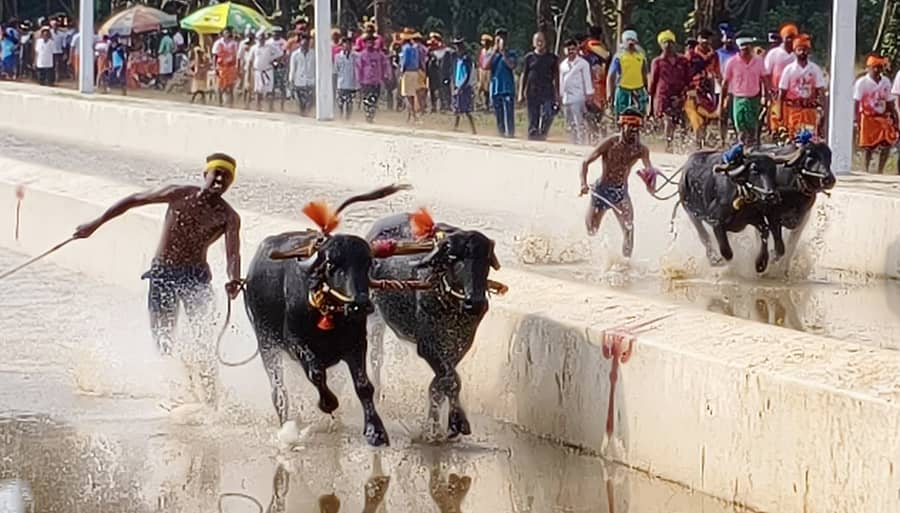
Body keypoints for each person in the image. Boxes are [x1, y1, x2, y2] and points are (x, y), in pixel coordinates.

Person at [72, 154, 244, 407]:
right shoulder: (178, 194)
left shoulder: (228, 217)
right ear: (204, 175)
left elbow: (233, 254)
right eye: (216, 173)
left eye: (226, 177)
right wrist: (95, 224)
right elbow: (132, 201)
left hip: (195, 277)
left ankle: (211, 402)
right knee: (163, 338)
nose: (220, 179)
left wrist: (234, 278)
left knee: (203, 338)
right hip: (163, 273)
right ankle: (178, 393)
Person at [579, 108, 657, 259]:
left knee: (629, 228)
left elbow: (649, 171)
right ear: (622, 125)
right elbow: (585, 162)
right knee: (592, 230)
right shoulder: (610, 143)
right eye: (631, 127)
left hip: (620, 193)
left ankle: (626, 262)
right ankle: (591, 257)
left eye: (637, 128)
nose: (634, 131)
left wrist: (651, 185)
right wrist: (583, 184)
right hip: (601, 191)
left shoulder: (641, 150)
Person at [721, 35, 767, 145]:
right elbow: (725, 83)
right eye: (743, 49)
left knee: (753, 126)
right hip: (738, 98)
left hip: (754, 98)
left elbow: (764, 79)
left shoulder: (759, 61)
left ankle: (753, 146)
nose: (746, 51)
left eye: (748, 48)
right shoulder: (732, 62)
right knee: (740, 125)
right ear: (739, 49)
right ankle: (741, 146)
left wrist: (766, 96)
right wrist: (723, 100)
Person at [855, 54, 898, 174]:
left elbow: (890, 102)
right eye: (874, 67)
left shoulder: (886, 82)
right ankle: (865, 170)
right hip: (867, 118)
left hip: (882, 118)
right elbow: (856, 103)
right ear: (868, 68)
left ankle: (880, 170)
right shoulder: (862, 83)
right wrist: (856, 120)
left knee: (887, 143)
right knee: (868, 146)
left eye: (879, 67)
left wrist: (894, 118)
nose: (876, 70)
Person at [777, 34, 825, 139]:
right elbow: (782, 93)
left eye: (805, 49)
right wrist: (779, 114)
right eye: (799, 49)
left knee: (810, 139)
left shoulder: (815, 69)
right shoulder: (789, 70)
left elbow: (820, 90)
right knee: (794, 138)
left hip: (809, 111)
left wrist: (823, 111)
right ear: (794, 51)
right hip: (794, 110)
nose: (802, 52)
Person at [649, 30, 690, 152]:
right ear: (660, 45)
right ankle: (669, 144)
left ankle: (683, 144)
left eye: (670, 42)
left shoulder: (683, 61)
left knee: (683, 120)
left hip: (680, 94)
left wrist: (682, 96)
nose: (667, 45)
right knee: (668, 120)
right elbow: (652, 84)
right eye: (664, 43)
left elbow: (688, 79)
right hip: (663, 95)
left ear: (674, 43)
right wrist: (651, 106)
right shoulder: (657, 62)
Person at [520, 32, 559, 141]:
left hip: (547, 90)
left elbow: (556, 77)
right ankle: (533, 135)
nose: (540, 43)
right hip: (532, 91)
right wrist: (520, 93)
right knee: (533, 116)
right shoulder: (529, 58)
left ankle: (543, 133)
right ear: (533, 43)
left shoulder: (552, 58)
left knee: (548, 113)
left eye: (542, 40)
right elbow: (524, 75)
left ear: (545, 43)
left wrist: (557, 94)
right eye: (537, 41)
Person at [765, 24, 798, 134]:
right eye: (788, 37)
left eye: (793, 37)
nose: (790, 40)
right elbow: (766, 74)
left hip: (793, 95)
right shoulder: (773, 54)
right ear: (783, 38)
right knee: (776, 117)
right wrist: (768, 91)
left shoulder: (797, 55)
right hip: (776, 93)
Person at [607, 30, 648, 117]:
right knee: (621, 116)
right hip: (623, 90)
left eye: (632, 40)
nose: (630, 42)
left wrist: (647, 89)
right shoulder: (618, 57)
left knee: (640, 116)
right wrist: (610, 93)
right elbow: (611, 75)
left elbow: (644, 73)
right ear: (624, 42)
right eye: (628, 40)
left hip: (638, 91)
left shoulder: (641, 56)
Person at [559, 38, 593, 145]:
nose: (570, 51)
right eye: (568, 49)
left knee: (579, 123)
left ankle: (581, 143)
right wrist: (560, 95)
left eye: (573, 49)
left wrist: (589, 94)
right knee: (569, 123)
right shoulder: (563, 65)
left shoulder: (583, 64)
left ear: (577, 49)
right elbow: (561, 81)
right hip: (566, 98)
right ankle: (572, 143)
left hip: (578, 97)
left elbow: (587, 80)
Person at [489, 28, 518, 138]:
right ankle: (501, 134)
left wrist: (503, 53)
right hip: (496, 88)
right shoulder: (492, 54)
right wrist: (494, 51)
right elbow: (486, 66)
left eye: (503, 37)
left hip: (507, 88)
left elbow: (512, 65)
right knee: (498, 114)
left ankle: (510, 134)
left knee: (508, 114)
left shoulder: (511, 53)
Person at [357, 33, 390, 123]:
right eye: (368, 42)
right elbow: (359, 68)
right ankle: (368, 115)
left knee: (375, 98)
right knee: (367, 99)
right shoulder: (362, 55)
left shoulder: (379, 54)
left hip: (376, 80)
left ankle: (372, 114)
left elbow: (385, 65)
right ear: (365, 43)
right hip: (366, 81)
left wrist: (386, 75)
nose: (370, 44)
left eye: (372, 41)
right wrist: (359, 80)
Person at [450, 36, 477, 134]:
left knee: (466, 109)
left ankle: (473, 129)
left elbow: (467, 74)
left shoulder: (466, 59)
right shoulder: (457, 59)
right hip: (458, 85)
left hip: (464, 87)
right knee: (457, 108)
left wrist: (461, 87)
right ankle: (455, 127)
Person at [287, 32, 314, 115]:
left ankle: (307, 112)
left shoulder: (314, 54)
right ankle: (302, 114)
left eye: (307, 43)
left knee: (311, 101)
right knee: (301, 103)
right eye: (303, 42)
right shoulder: (295, 54)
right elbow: (292, 68)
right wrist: (291, 80)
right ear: (300, 43)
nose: (305, 44)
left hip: (311, 81)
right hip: (299, 82)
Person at [211, 27, 239, 107]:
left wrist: (237, 67)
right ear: (223, 33)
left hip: (231, 67)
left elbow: (237, 56)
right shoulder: (218, 43)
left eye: (228, 32)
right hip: (221, 67)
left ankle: (231, 104)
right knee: (220, 86)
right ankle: (220, 103)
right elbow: (214, 56)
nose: (227, 34)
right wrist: (214, 67)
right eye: (225, 32)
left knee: (230, 86)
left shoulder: (234, 44)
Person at [398, 29, 421, 122]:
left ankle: (413, 115)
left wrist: (401, 71)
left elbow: (405, 61)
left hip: (407, 71)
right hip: (415, 72)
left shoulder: (405, 48)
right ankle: (411, 116)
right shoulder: (415, 48)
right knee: (412, 94)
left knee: (407, 95)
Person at [334, 36, 359, 120]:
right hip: (341, 83)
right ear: (342, 45)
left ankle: (348, 118)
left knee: (349, 102)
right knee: (340, 103)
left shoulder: (356, 56)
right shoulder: (337, 57)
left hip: (351, 83)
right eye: (346, 44)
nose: (348, 46)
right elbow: (335, 70)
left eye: (349, 44)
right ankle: (340, 116)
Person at [477, 34, 494, 112]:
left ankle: (489, 105)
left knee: (488, 88)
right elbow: (480, 61)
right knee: (482, 88)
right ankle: (484, 104)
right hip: (482, 70)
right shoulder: (482, 51)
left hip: (489, 70)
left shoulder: (492, 51)